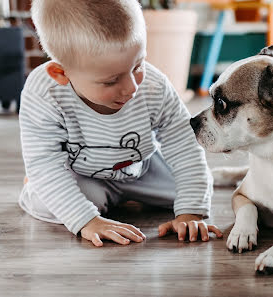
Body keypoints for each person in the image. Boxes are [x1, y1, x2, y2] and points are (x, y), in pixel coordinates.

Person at [19, 0, 222, 247]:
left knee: (194, 189)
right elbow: (45, 162)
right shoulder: (44, 93)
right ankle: (37, 185)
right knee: (51, 199)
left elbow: (184, 147)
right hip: (83, 175)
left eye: (137, 65)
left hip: (144, 168)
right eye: (111, 81)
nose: (131, 88)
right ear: (61, 74)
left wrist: (190, 212)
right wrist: (87, 220)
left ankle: (119, 198)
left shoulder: (154, 87)